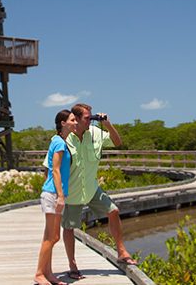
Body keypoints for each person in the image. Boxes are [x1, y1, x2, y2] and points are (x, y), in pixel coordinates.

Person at [44, 103, 137, 281]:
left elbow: (117, 142)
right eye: (87, 118)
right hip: (72, 192)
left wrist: (108, 124)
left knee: (114, 211)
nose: (91, 120)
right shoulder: (64, 138)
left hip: (92, 188)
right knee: (69, 228)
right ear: (76, 119)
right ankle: (72, 265)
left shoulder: (94, 133)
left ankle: (121, 251)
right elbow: (51, 168)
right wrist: (56, 195)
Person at [34, 109, 77, 285]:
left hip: (55, 194)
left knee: (51, 236)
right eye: (73, 120)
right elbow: (55, 170)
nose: (76, 122)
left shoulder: (60, 141)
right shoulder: (59, 143)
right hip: (53, 194)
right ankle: (38, 274)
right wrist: (60, 196)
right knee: (52, 237)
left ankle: (48, 273)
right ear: (63, 123)